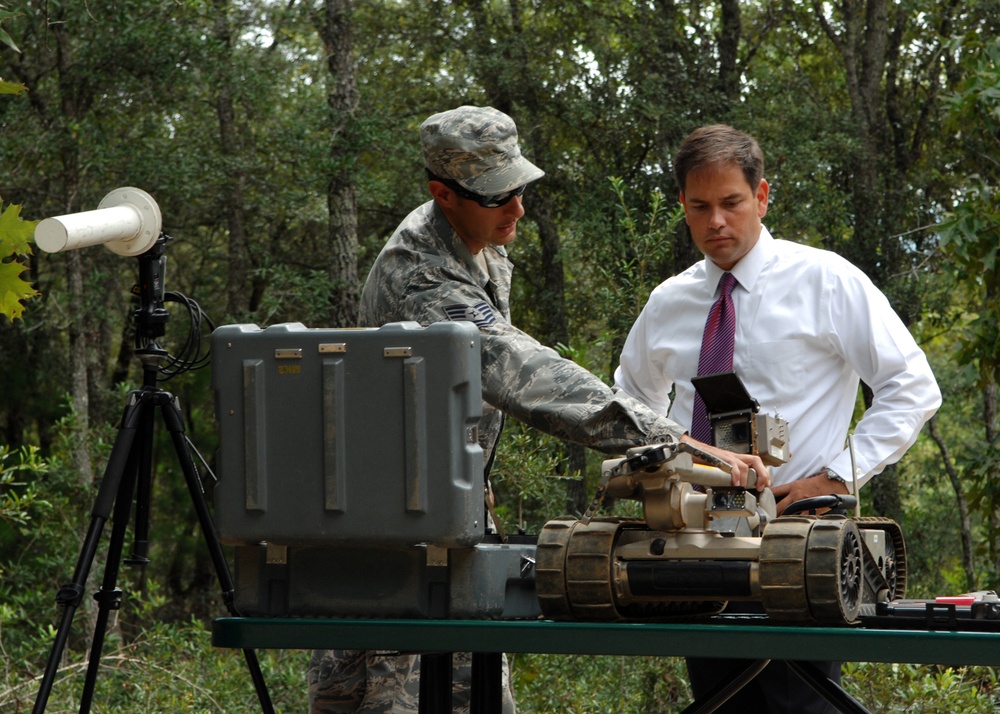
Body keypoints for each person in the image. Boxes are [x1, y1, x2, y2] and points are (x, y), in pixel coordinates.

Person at [307, 107, 770, 713]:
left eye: (521, 188)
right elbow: (521, 372)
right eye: (498, 196)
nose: (518, 209)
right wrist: (671, 440)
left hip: (445, 515)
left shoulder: (483, 244)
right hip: (393, 535)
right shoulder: (421, 277)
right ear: (443, 194)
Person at [614, 123, 942, 713]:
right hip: (696, 549)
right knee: (719, 704)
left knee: (801, 702)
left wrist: (837, 479)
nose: (717, 221)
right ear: (683, 209)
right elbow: (628, 407)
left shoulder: (826, 280)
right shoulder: (669, 302)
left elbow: (912, 387)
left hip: (801, 544)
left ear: (762, 196)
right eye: (700, 206)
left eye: (732, 203)